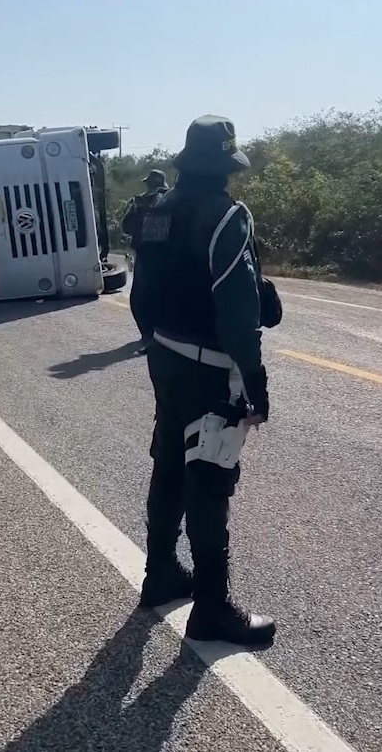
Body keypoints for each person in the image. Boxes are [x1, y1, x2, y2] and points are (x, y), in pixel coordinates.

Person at [136, 115, 282, 646]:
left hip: (165, 355)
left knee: (171, 459)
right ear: (226, 164)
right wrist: (255, 382)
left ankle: (160, 574)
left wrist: (153, 344)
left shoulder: (158, 210)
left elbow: (140, 293)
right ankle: (212, 610)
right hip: (209, 364)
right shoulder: (227, 217)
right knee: (211, 476)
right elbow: (238, 310)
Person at [121, 169, 170, 354]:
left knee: (141, 299)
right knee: (157, 297)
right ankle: (156, 336)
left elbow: (126, 227)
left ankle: (151, 337)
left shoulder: (140, 202)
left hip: (148, 255)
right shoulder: (173, 199)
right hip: (167, 256)